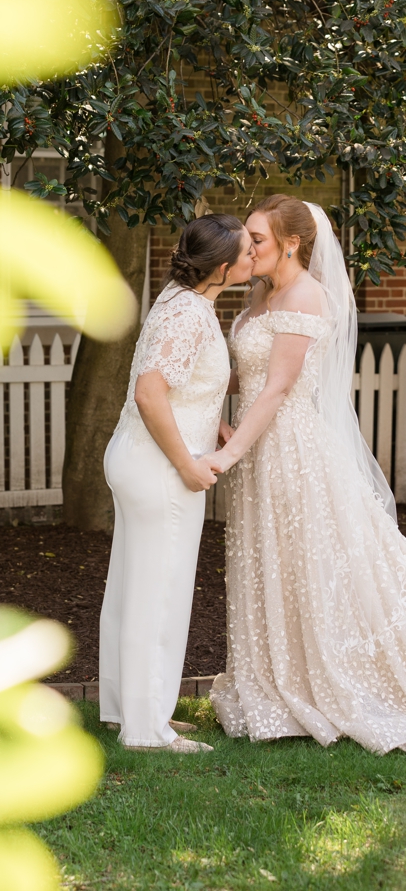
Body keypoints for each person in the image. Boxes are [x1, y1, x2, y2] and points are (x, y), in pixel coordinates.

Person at [205, 196, 406, 751]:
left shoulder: (307, 295)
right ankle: (276, 676)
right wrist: (217, 426)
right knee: (270, 561)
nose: (248, 248)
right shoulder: (259, 294)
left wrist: (227, 454)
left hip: (291, 450)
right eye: (248, 238)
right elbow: (244, 378)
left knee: (309, 563)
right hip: (255, 447)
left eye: (258, 239)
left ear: (292, 243)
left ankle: (330, 679)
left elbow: (277, 388)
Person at [99, 213, 254, 752]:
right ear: (224, 266)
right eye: (247, 253)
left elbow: (185, 382)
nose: (255, 258)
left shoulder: (182, 300)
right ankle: (147, 730)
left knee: (133, 587)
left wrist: (218, 418)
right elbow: (149, 392)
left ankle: (131, 709)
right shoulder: (189, 313)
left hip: (138, 460)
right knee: (158, 593)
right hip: (160, 468)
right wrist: (189, 463)